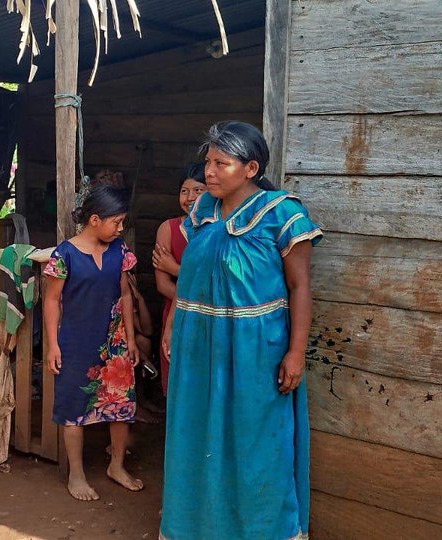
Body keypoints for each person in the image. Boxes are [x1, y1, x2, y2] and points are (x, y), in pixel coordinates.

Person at [159, 121, 322, 540]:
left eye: (220, 163)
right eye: (207, 162)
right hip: (198, 348)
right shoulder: (201, 214)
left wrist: (296, 353)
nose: (208, 173)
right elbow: (193, 282)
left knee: (255, 446)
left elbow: (300, 286)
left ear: (250, 168)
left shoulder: (281, 214)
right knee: (195, 438)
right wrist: (172, 326)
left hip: (255, 352)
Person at [42, 184, 145, 501]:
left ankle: (116, 466)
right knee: (74, 409)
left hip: (114, 345)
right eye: (117, 222)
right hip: (75, 343)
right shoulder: (65, 255)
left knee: (121, 408)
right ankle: (77, 474)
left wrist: (130, 338)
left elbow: (126, 296)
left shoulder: (120, 253)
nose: (121, 228)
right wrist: (53, 345)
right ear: (96, 219)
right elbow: (51, 301)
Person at [150, 164, 206, 395]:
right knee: (177, 387)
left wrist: (175, 268)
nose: (189, 197)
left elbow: (215, 282)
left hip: (210, 318)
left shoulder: (217, 228)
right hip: (177, 317)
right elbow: (162, 285)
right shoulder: (169, 229)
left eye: (198, 191)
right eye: (184, 191)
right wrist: (200, 295)